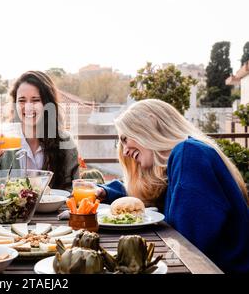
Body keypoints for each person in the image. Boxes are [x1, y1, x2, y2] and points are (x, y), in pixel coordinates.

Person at [95, 99, 249, 273]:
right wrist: (105, 191)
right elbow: (150, 190)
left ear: (151, 123)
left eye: (125, 139)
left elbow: (186, 245)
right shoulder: (184, 158)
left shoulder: (189, 154)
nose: (125, 152)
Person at [0, 70, 79, 189]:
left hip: (56, 208)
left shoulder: (65, 141)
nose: (28, 107)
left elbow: (74, 188)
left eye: (35, 100)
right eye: (22, 100)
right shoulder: (3, 139)